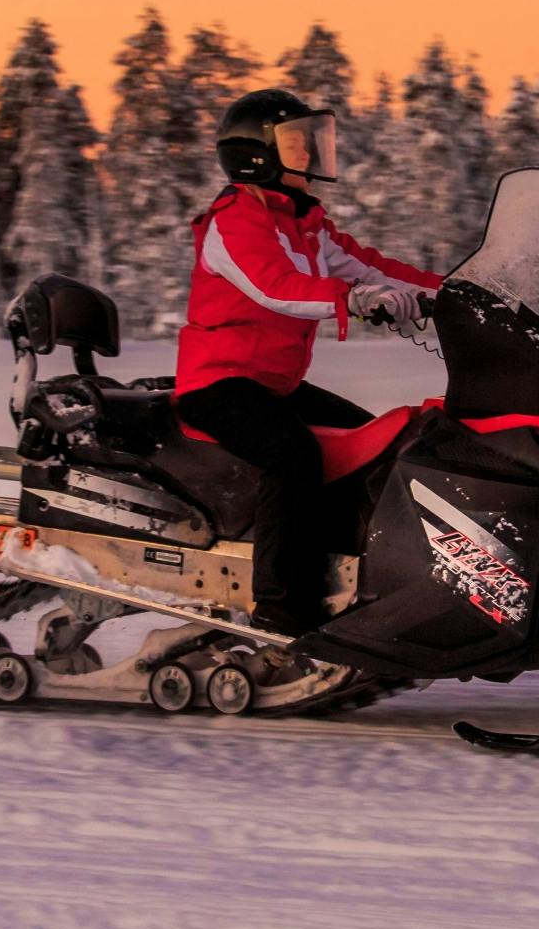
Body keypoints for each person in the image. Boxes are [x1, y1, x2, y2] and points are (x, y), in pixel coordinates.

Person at [174, 88, 442, 635]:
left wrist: (460, 291)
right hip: (218, 383)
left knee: (373, 440)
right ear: (257, 154)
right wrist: (350, 299)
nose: (312, 157)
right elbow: (274, 287)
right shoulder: (235, 220)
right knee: (292, 454)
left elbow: (369, 265)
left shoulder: (305, 223)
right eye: (298, 145)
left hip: (272, 384)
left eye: (313, 143)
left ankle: (352, 574)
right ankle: (280, 603)